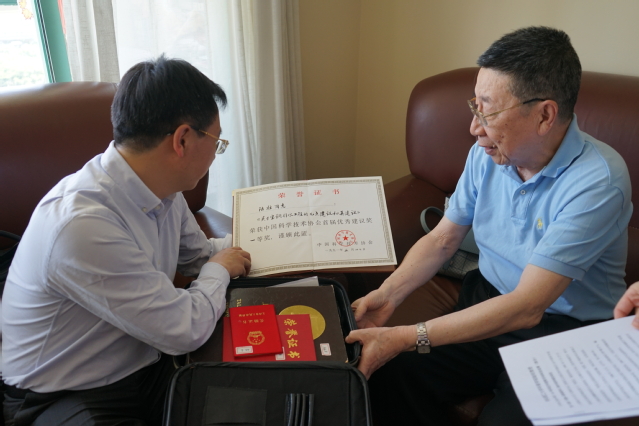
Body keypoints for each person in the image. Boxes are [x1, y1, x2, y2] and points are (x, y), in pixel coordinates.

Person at [345, 26, 633, 426]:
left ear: (545, 115)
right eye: (474, 105)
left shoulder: (598, 181)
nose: (474, 128)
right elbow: (443, 239)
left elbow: (527, 306)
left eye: (489, 111)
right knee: (389, 375)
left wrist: (407, 335)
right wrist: (388, 295)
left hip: (566, 331)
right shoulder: (488, 153)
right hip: (485, 297)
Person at [2, 56, 251, 426]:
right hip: (61, 393)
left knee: (255, 396)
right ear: (182, 139)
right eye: (216, 141)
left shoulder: (162, 187)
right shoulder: (82, 225)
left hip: (143, 360)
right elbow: (185, 328)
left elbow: (199, 256)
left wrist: (267, 242)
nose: (216, 153)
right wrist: (219, 269)